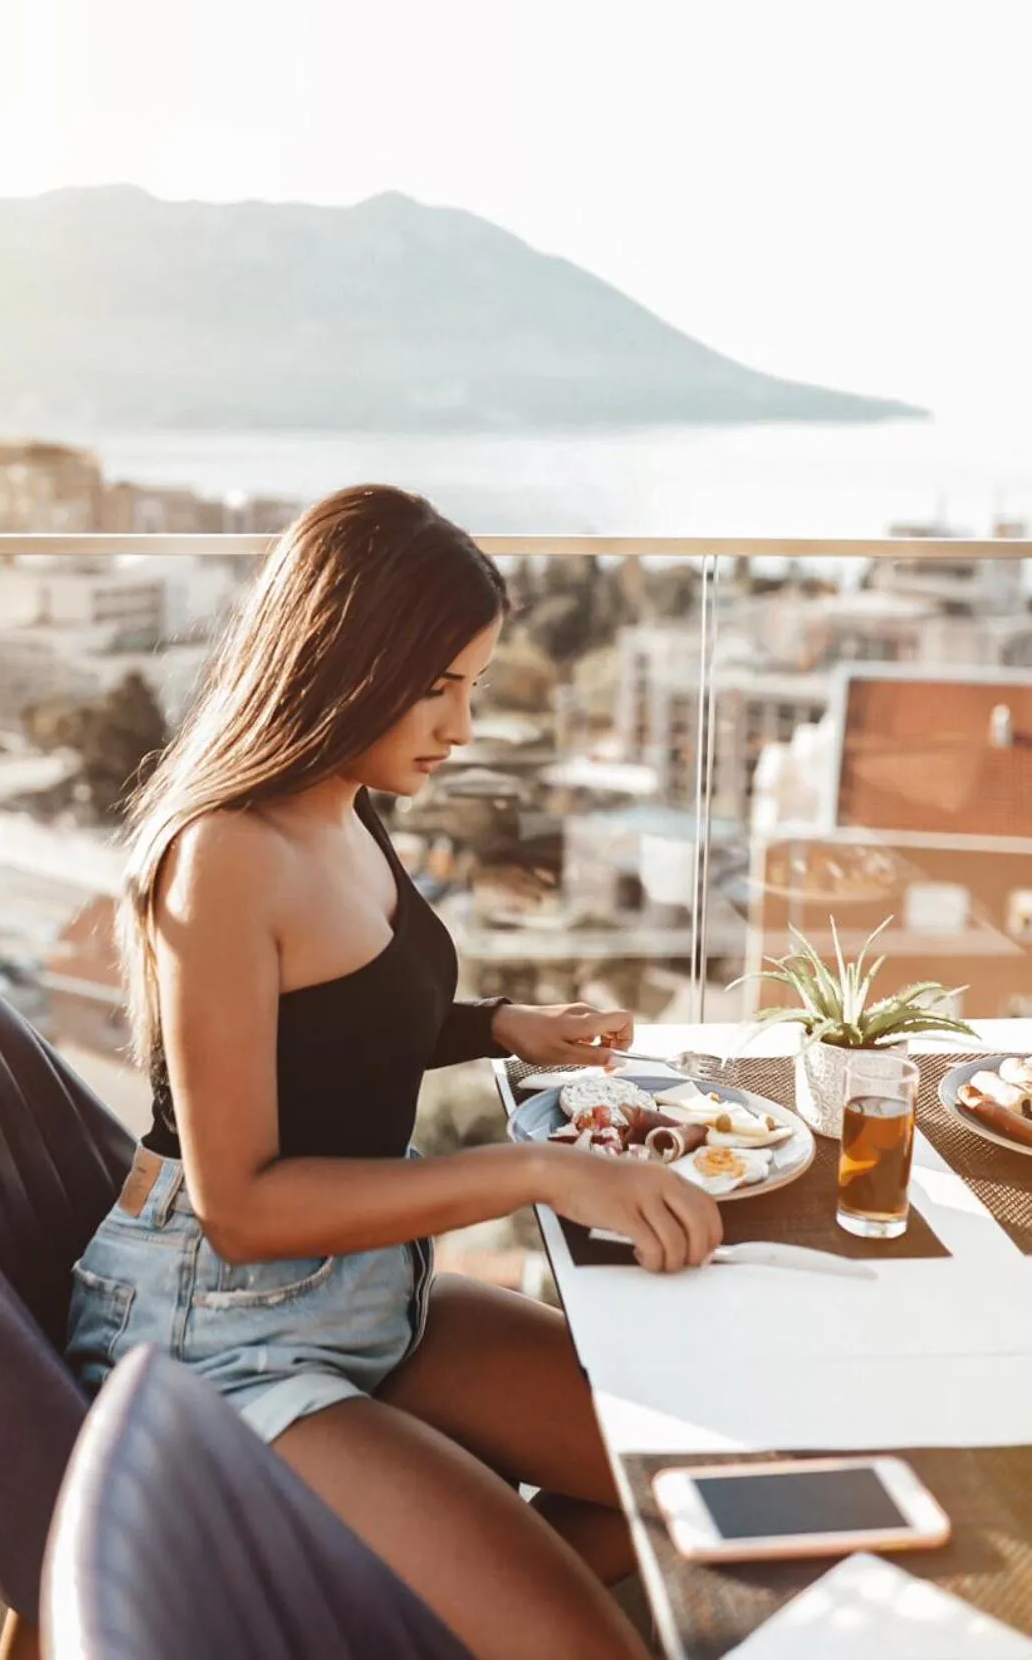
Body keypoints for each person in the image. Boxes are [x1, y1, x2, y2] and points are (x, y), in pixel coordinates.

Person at [66, 485, 721, 1659]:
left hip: (371, 1288)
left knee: (702, 1473)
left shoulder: (346, 804)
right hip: (225, 1327)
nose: (462, 725)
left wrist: (503, 1025)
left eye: (469, 683)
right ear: (341, 659)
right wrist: (536, 1171)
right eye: (438, 685)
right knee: (588, 1646)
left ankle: (418, 1624)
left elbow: (340, 1028)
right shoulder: (224, 856)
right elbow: (246, 1204)